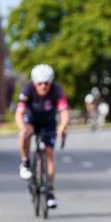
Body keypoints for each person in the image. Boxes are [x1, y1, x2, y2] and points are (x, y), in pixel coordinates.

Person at [15, 64, 69, 208]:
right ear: (34, 83)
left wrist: (62, 127)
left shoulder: (57, 90)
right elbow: (19, 113)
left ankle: (50, 191)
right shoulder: (27, 89)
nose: (43, 86)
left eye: (46, 83)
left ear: (51, 82)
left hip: (48, 122)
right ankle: (25, 162)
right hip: (31, 120)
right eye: (40, 84)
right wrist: (22, 128)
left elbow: (64, 112)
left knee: (49, 153)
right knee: (24, 134)